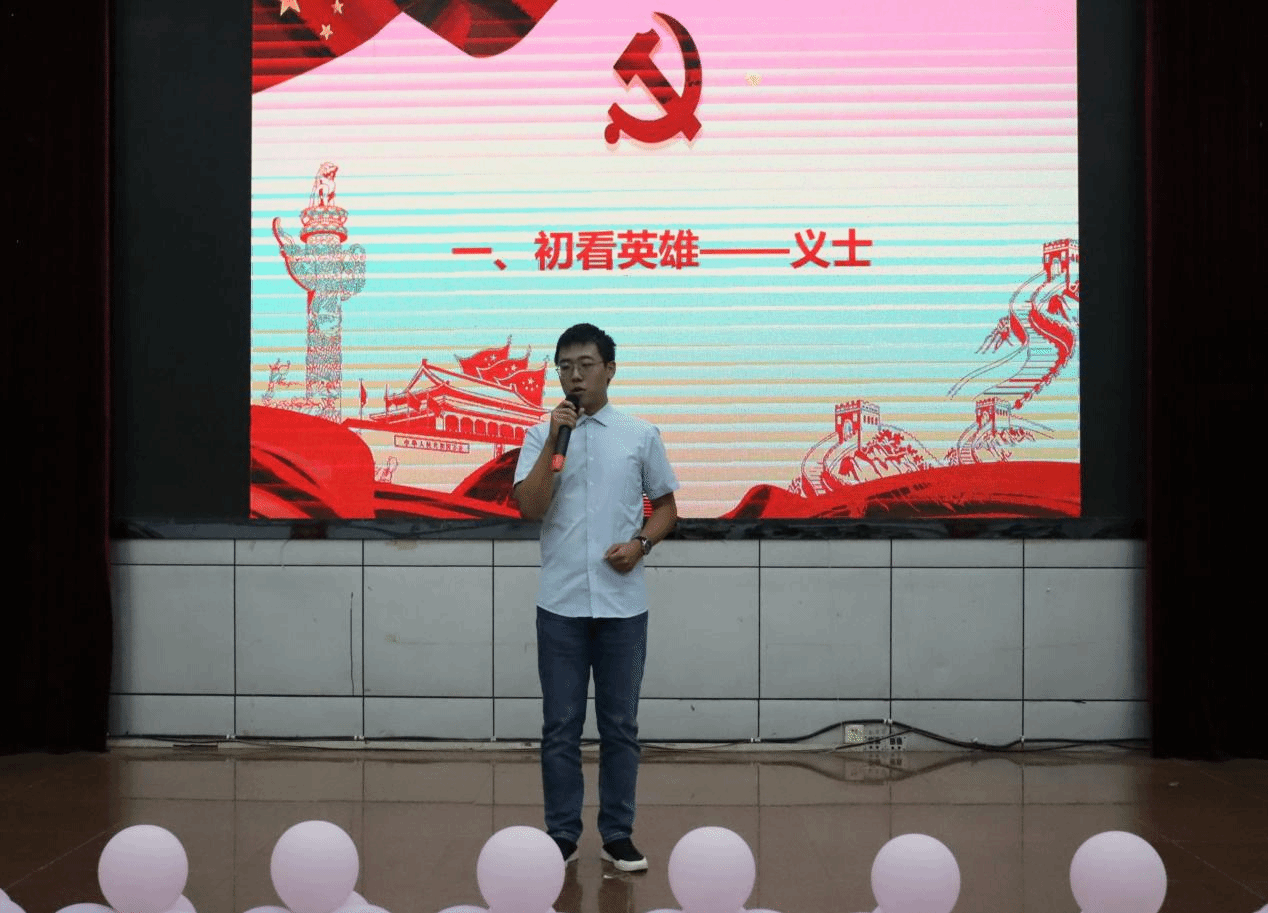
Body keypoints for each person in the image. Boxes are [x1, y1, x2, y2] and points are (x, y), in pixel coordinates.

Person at [513, 323, 679, 873]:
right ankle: (561, 835)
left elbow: (666, 508)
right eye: (565, 367)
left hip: (623, 608)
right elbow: (530, 507)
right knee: (560, 727)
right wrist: (553, 440)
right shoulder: (540, 436)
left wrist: (640, 545)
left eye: (586, 365)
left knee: (620, 727)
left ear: (610, 369)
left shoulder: (639, 434)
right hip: (560, 607)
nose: (575, 376)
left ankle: (617, 835)